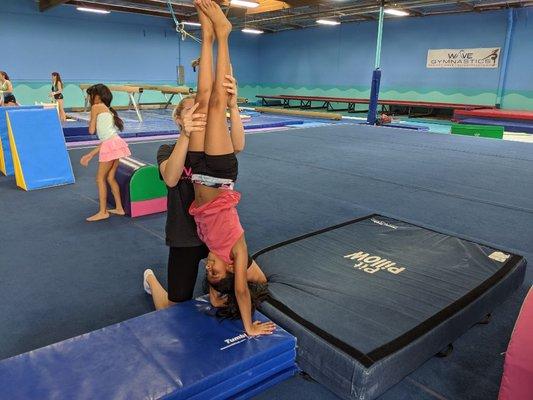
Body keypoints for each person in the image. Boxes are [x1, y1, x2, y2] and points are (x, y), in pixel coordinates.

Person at [187, 0, 273, 336]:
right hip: (221, 173)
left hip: (196, 170)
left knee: (202, 97)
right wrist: (248, 324)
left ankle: (207, 34)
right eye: (214, 271)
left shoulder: (212, 252)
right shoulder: (237, 248)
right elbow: (243, 288)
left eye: (207, 271)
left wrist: (215, 296)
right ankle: (224, 35)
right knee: (219, 103)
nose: (209, 266)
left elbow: (221, 292)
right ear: (233, 268)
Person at [80, 84, 131, 222]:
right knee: (110, 178)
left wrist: (92, 119)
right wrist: (90, 155)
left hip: (110, 145)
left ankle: (103, 212)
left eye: (90, 95)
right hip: (116, 143)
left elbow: (91, 131)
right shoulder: (109, 110)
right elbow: (107, 139)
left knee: (100, 179)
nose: (89, 98)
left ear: (96, 96)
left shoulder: (96, 107)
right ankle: (120, 208)